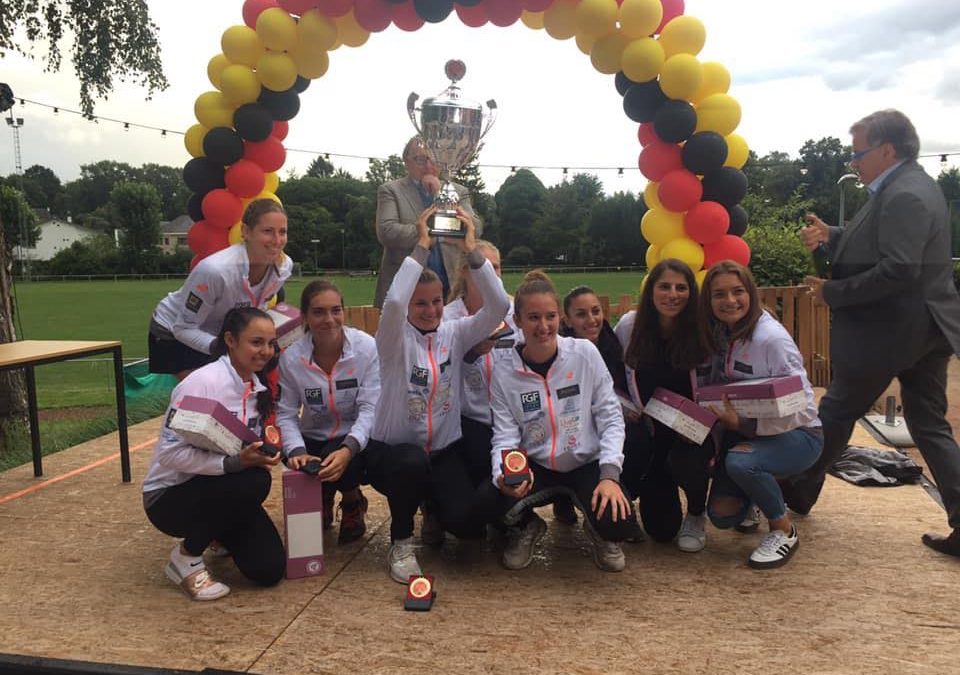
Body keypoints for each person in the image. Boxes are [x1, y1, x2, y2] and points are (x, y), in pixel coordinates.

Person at [794, 109, 960, 556]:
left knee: (838, 410)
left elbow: (898, 269)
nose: (853, 161)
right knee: (929, 426)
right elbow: (885, 241)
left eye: (858, 152)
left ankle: (798, 491)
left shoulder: (903, 194)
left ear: (887, 150)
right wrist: (833, 233)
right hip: (926, 327)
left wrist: (835, 292)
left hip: (893, 330)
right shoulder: (911, 186)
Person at [367, 205, 509, 583]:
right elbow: (394, 302)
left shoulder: (455, 331)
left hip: (442, 449)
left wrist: (472, 251)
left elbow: (500, 305)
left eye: (435, 301)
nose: (430, 311)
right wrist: (421, 248)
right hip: (394, 453)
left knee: (464, 523)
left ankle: (433, 505)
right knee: (410, 463)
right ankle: (400, 541)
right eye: (420, 303)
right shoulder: (393, 339)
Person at [485, 271, 635, 572]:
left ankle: (598, 530)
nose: (543, 326)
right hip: (537, 466)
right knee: (485, 504)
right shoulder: (504, 372)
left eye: (550, 316)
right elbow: (504, 436)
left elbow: (610, 416)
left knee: (619, 524)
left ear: (560, 318)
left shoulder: (584, 354)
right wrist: (503, 474)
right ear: (518, 321)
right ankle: (528, 527)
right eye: (533, 317)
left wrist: (609, 475)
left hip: (586, 464)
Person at [142, 307, 286, 601]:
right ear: (230, 340)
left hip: (222, 490)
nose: (266, 351)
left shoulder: (257, 386)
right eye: (256, 342)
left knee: (269, 570)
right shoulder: (202, 383)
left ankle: (216, 533)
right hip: (170, 497)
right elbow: (169, 455)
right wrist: (234, 463)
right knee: (256, 481)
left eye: (271, 343)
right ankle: (185, 558)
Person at [699, 262, 823, 569]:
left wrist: (746, 425)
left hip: (800, 435)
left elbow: (804, 406)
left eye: (738, 291)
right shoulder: (721, 332)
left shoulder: (771, 339)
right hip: (746, 432)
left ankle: (783, 530)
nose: (729, 301)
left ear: (751, 293)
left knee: (742, 462)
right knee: (722, 516)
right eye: (719, 294)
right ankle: (755, 494)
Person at [614, 259, 714, 552]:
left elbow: (715, 385)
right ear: (651, 291)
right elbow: (612, 375)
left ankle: (697, 511)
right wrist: (625, 406)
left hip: (691, 435)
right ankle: (636, 495)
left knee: (689, 462)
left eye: (681, 287)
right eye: (665, 286)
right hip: (651, 434)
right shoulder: (630, 326)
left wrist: (701, 424)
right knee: (661, 531)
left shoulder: (702, 331)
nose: (673, 294)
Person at [423, 240, 516, 545]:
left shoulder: (516, 312)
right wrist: (470, 352)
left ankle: (515, 519)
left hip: (511, 423)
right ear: (466, 272)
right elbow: (434, 372)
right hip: (463, 425)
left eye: (496, 267)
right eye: (483, 267)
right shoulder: (448, 317)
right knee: (463, 524)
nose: (492, 274)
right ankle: (435, 507)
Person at [276, 280, 380, 545]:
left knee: (347, 456)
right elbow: (286, 413)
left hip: (354, 437)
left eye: (336, 310)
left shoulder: (366, 348)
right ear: (305, 317)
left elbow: (370, 408)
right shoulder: (291, 358)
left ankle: (352, 500)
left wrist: (348, 449)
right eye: (319, 312)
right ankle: (321, 494)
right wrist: (296, 452)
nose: (329, 319)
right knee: (293, 456)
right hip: (312, 436)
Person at [149, 199, 293, 380]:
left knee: (239, 384)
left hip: (220, 332)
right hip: (172, 330)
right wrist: (228, 349)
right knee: (204, 393)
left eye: (283, 232)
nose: (277, 240)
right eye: (268, 231)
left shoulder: (284, 266)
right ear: (245, 231)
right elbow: (182, 328)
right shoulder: (216, 270)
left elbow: (256, 310)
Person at [373, 136, 482, 308]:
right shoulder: (391, 190)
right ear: (406, 162)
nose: (429, 166)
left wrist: (442, 195)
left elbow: (475, 230)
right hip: (405, 293)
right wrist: (433, 232)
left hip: (451, 293)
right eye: (421, 159)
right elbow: (387, 232)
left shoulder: (458, 191)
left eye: (434, 159)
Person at [555, 286, 630, 527]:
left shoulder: (612, 343)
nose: (592, 319)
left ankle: (615, 495)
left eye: (596, 311)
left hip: (608, 420)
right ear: (567, 320)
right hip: (571, 425)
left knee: (632, 438)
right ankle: (563, 498)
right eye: (581, 314)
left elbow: (620, 387)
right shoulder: (560, 349)